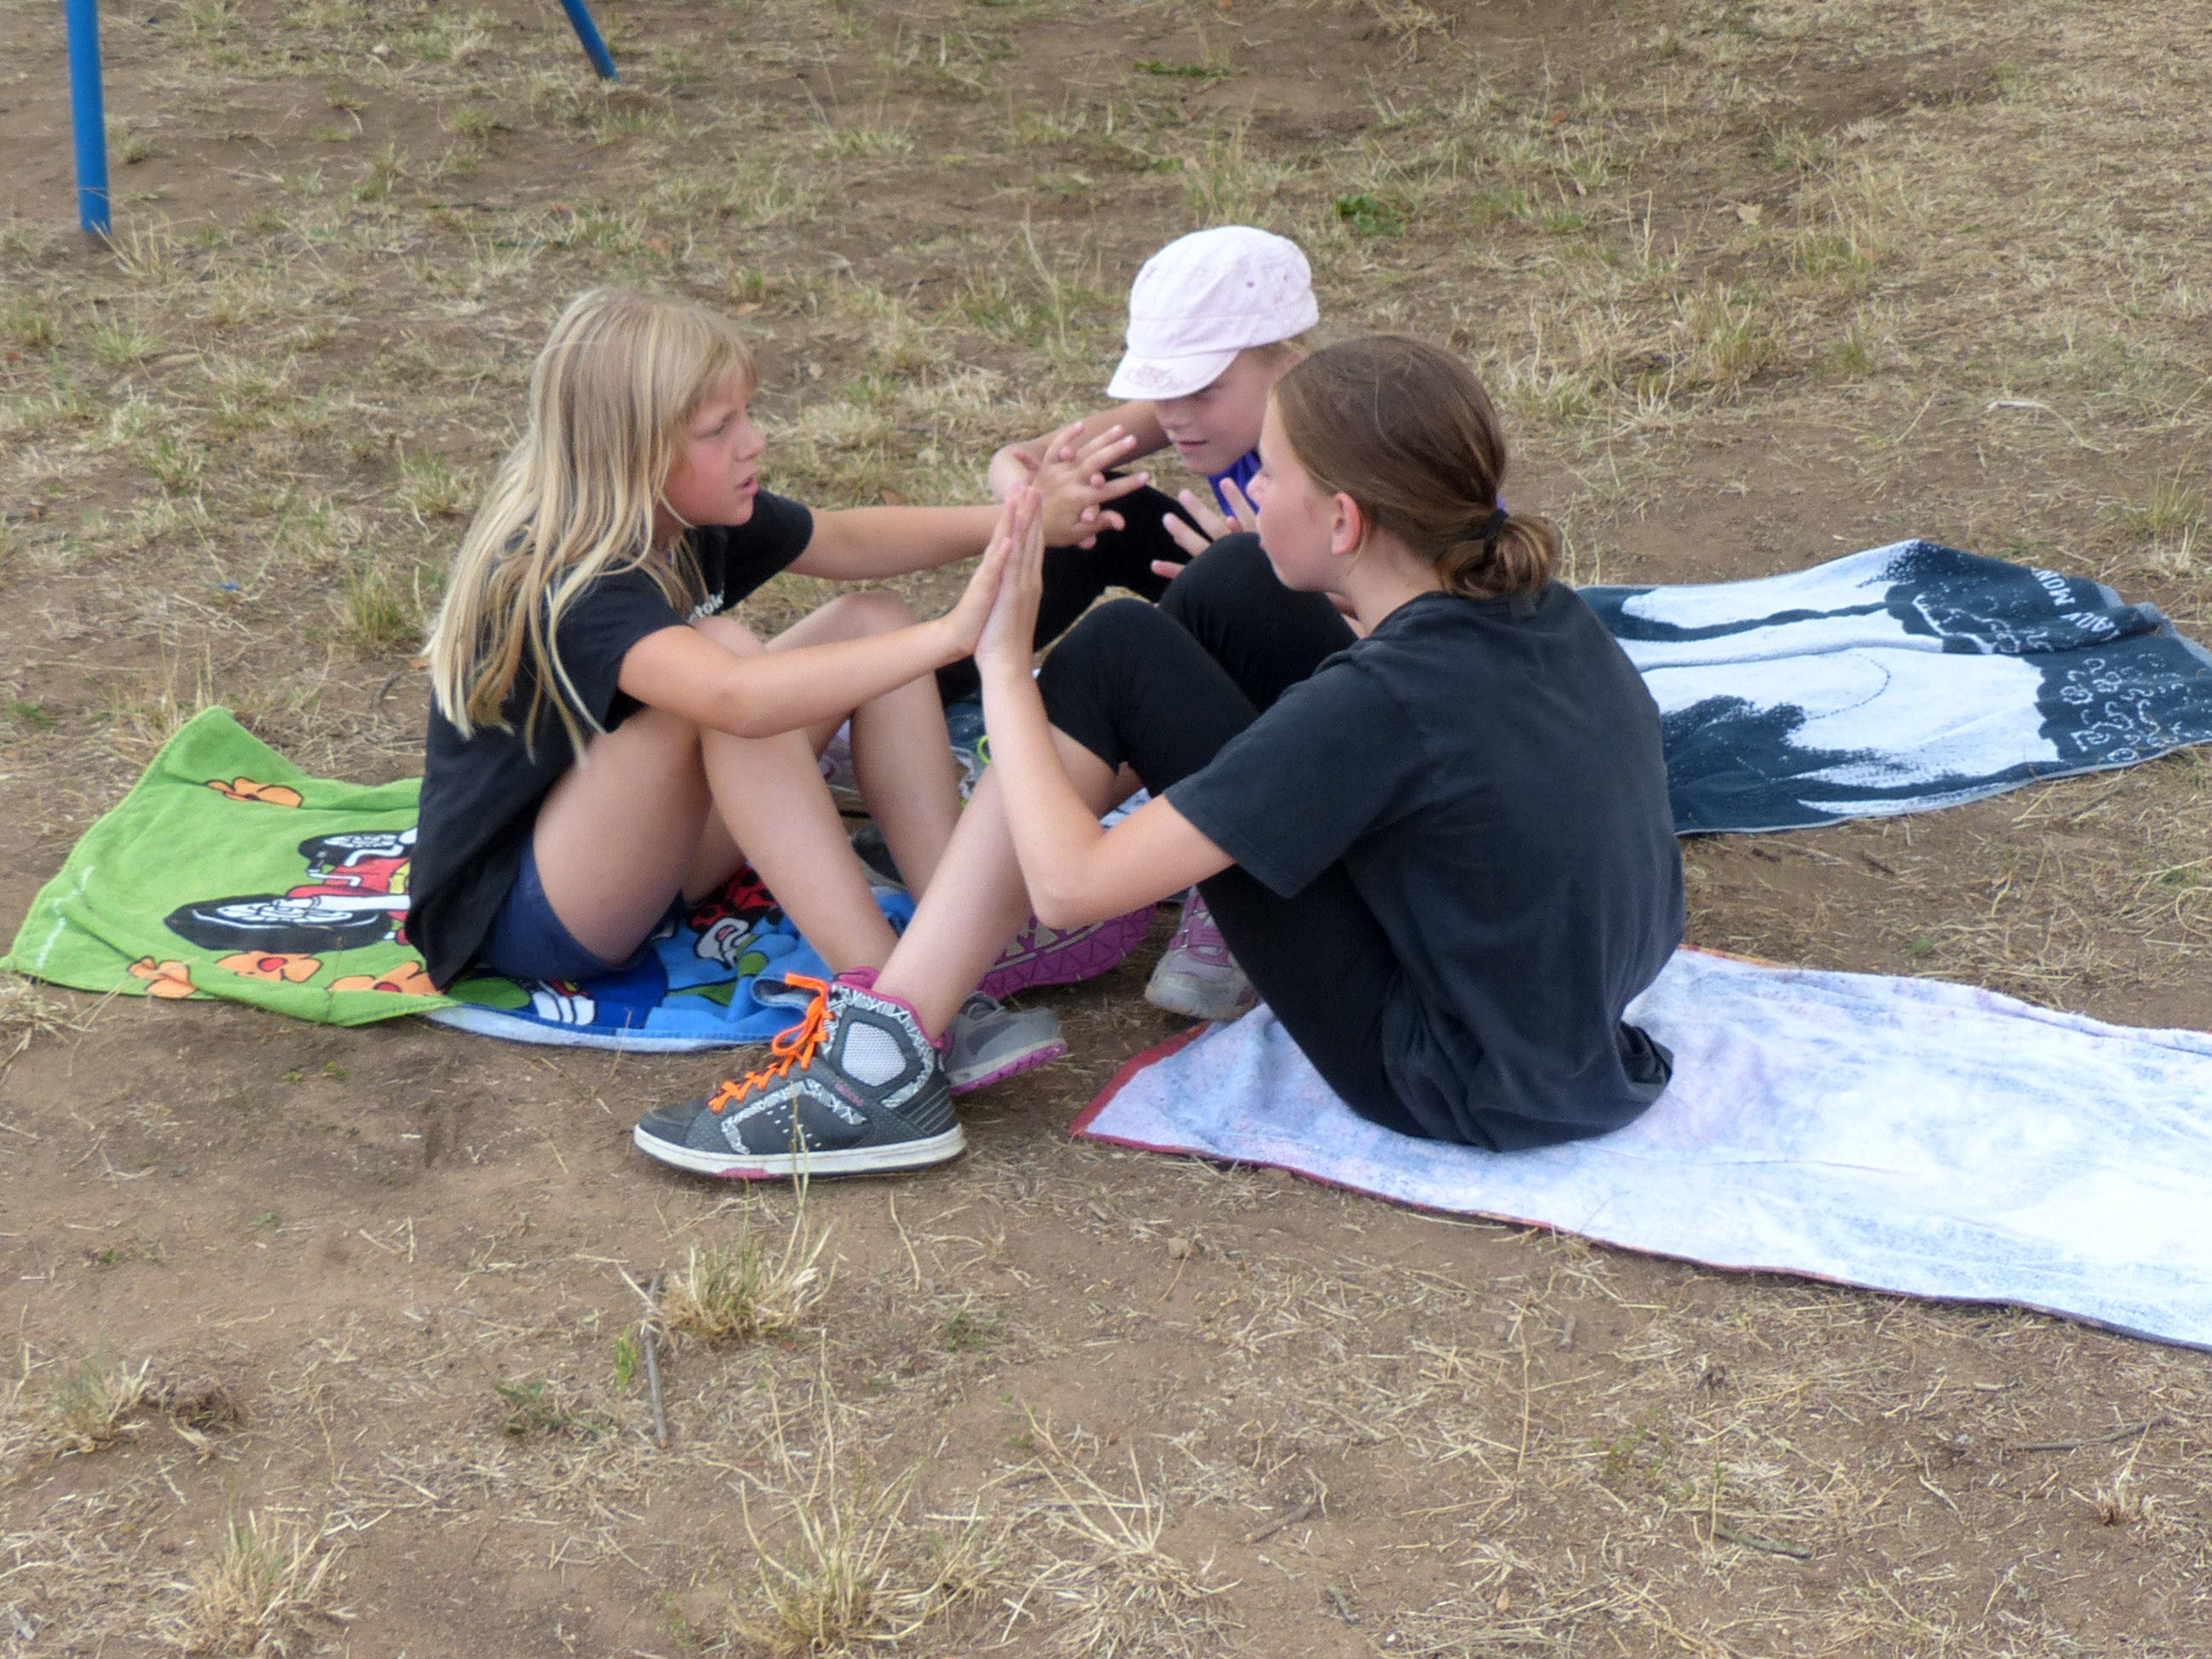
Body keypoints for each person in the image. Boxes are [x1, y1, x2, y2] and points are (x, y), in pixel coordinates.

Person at [631, 336, 1685, 1180]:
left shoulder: (1379, 703)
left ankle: (879, 1069)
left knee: (1109, 655)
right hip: (1555, 1027)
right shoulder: (1528, 605)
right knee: (1230, 582)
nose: (1249, 491)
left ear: (1344, 520)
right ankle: (963, 922)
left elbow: (1069, 886)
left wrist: (1003, 664)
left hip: (1449, 1072)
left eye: (1269, 474)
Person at [406, 288, 1143, 1091]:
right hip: (534, 912)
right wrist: (953, 635)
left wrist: (1019, 520)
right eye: (719, 429)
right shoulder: (563, 575)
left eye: (746, 415)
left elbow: (845, 539)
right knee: (728, 667)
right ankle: (896, 1006)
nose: (754, 440)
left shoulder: (684, 511)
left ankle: (955, 932)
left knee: (872, 622)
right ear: (636, 449)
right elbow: (737, 698)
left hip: (646, 858)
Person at [955, 224, 1323, 1024]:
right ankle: (931, 700)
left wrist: (1279, 581)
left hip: (1328, 668)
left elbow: (1421, 631)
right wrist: (1045, 498)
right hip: (1213, 592)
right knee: (1096, 506)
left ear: (1287, 365)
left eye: (1202, 390)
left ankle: (1232, 884)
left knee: (1236, 589)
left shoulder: (1349, 447)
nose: (1177, 418)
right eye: (1163, 390)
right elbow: (1017, 461)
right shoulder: (1196, 409)